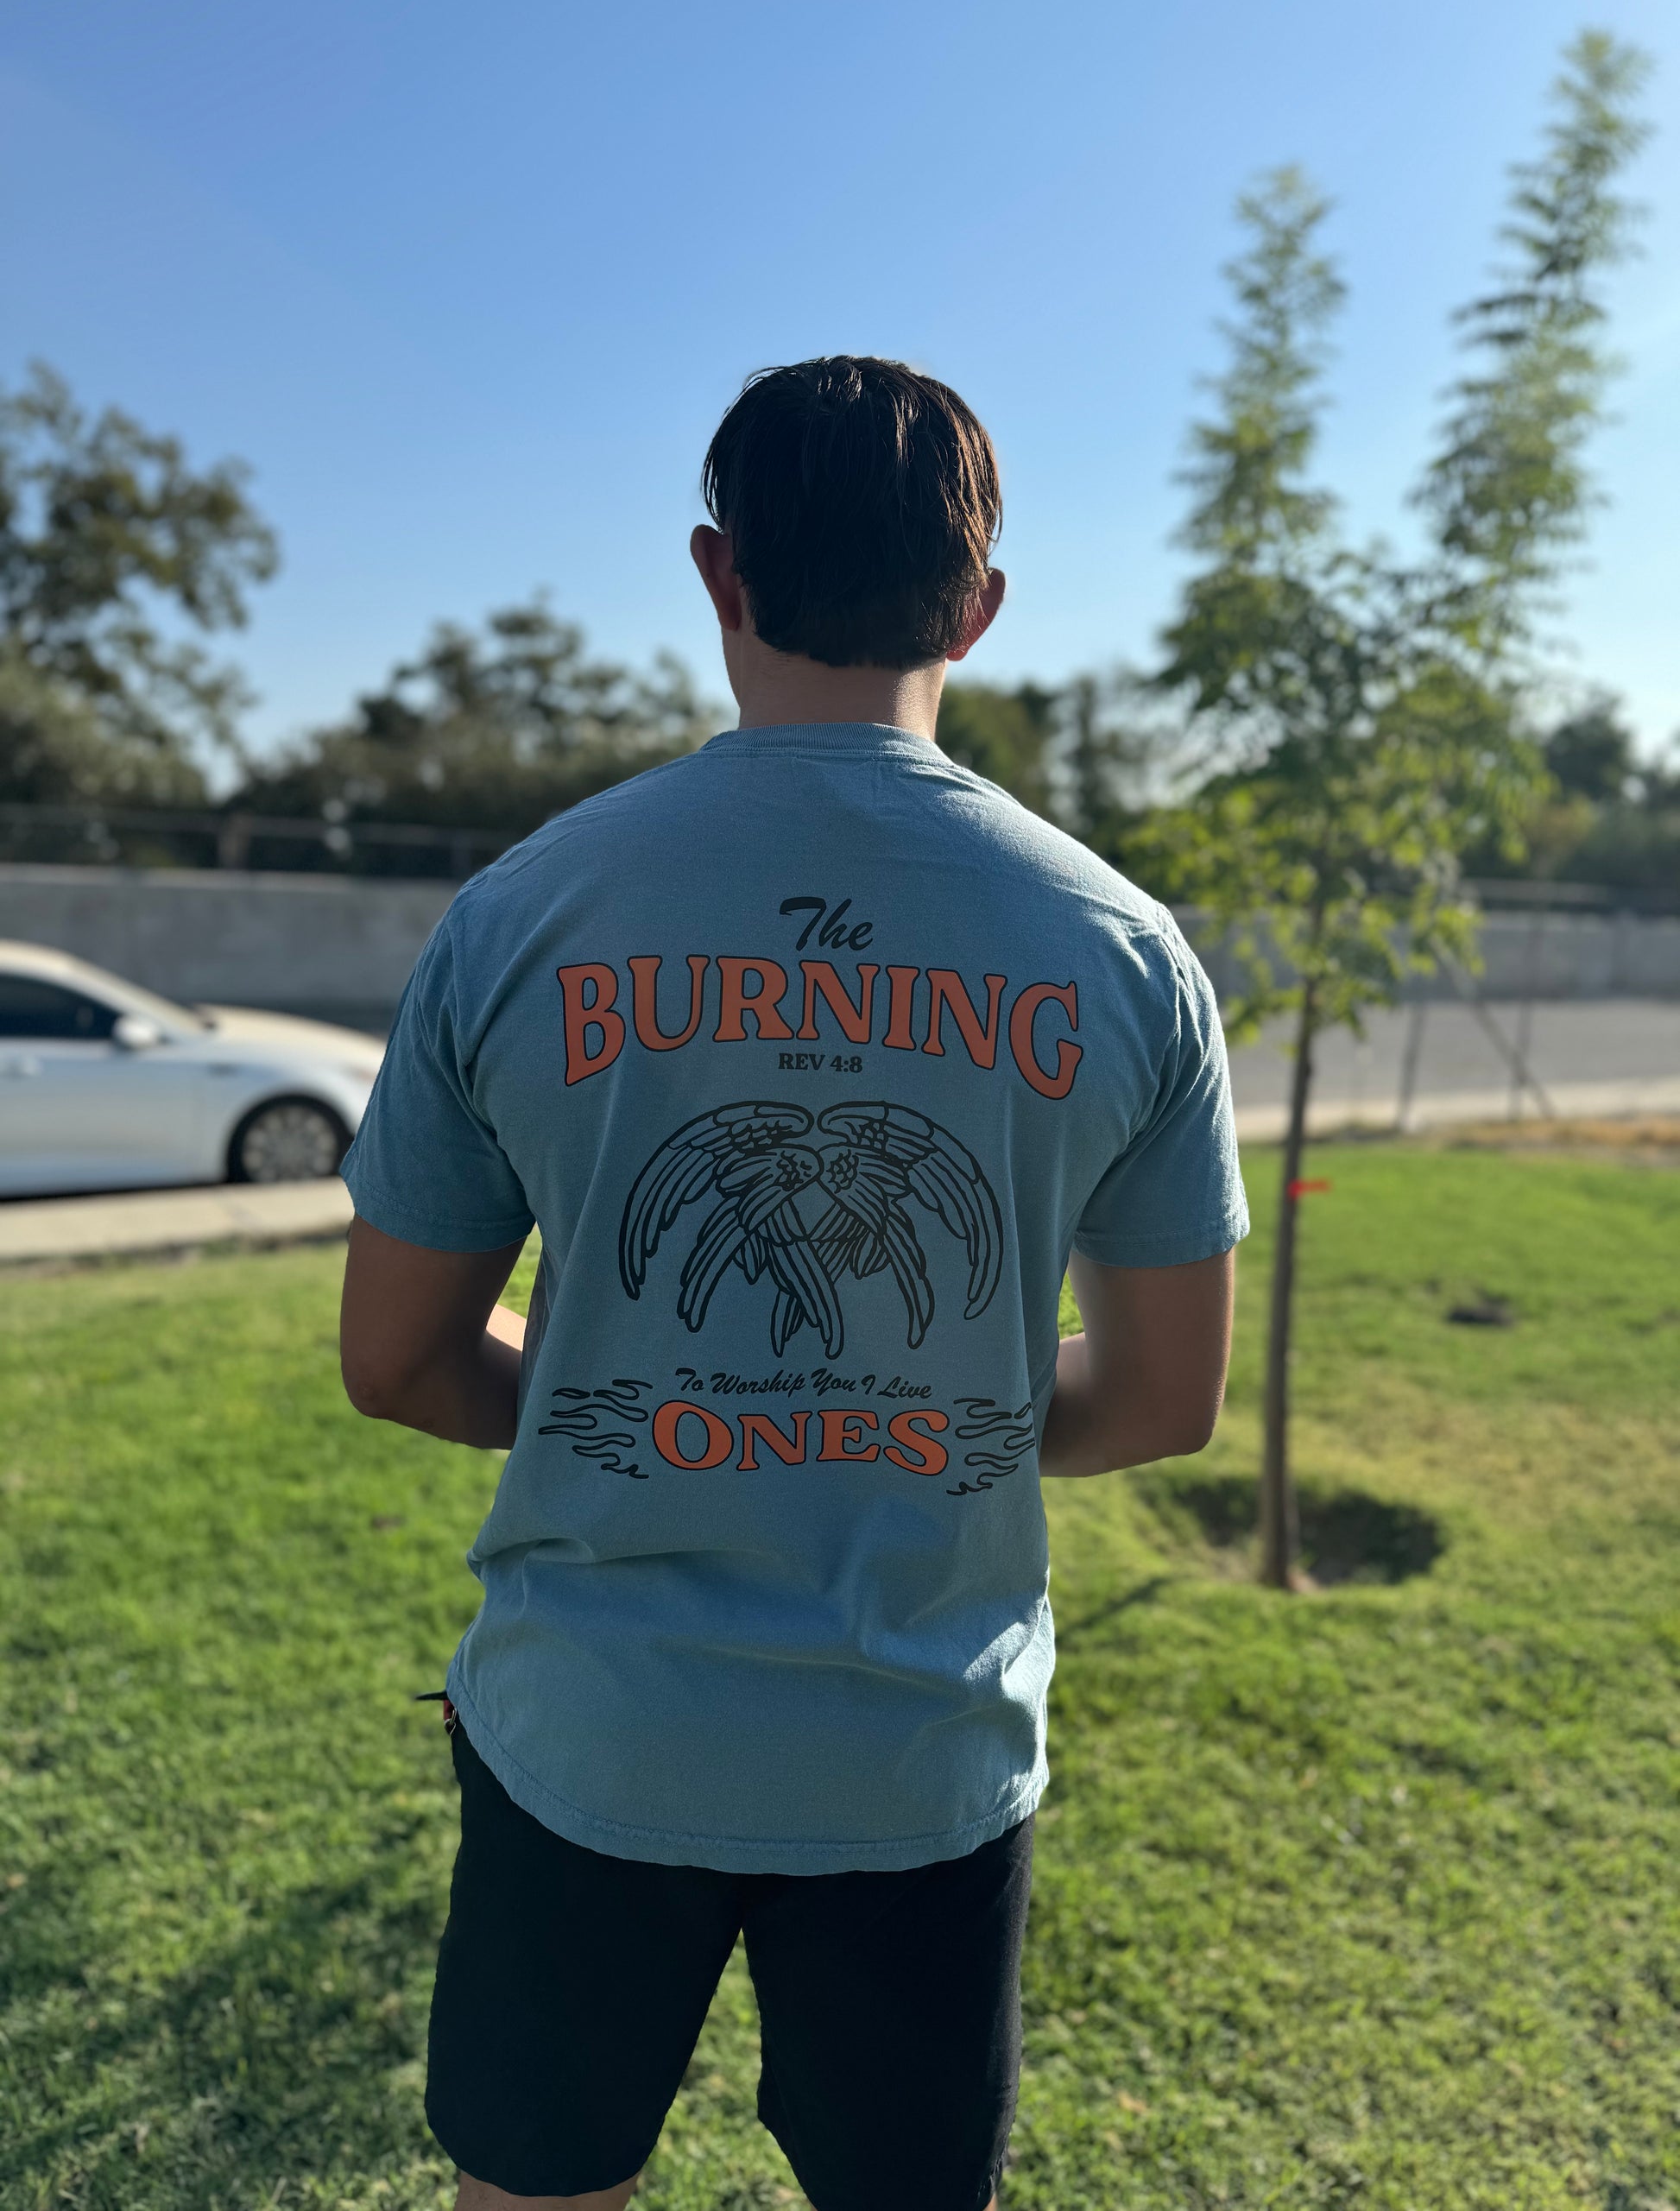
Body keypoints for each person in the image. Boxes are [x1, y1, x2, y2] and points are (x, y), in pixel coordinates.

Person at [338, 355, 1247, 2211]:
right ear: (976, 607)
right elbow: (1162, 1400)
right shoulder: (1124, 951)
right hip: (921, 1756)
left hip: (587, 1730)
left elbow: (398, 1358)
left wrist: (633, 1414)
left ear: (718, 573)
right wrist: (916, 1422)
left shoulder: (522, 913)